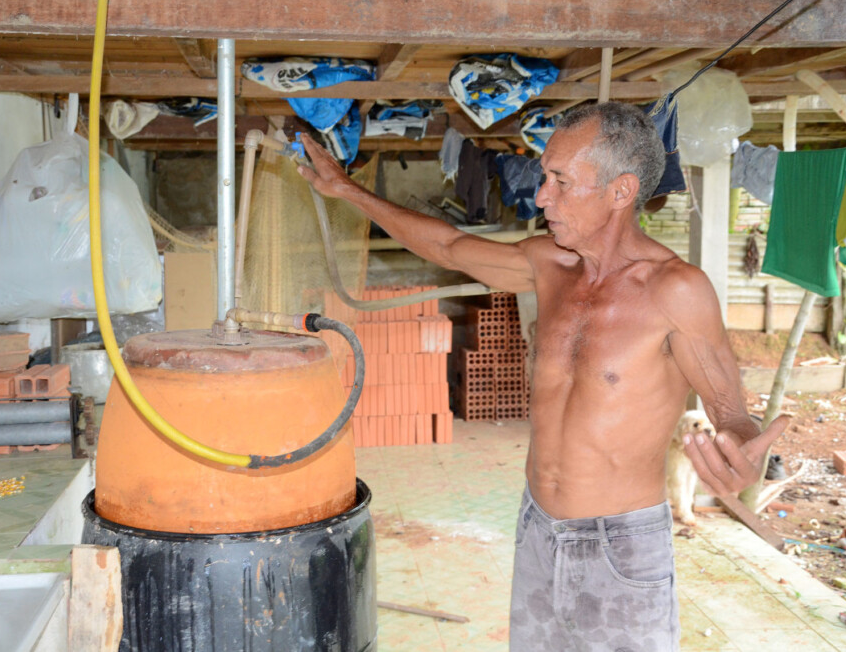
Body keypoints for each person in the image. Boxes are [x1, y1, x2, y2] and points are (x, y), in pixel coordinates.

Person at [297, 101, 788, 652]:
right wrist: (348, 192)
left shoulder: (675, 290)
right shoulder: (548, 264)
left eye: (559, 180)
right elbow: (447, 246)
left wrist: (740, 456)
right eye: (544, 176)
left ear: (621, 191)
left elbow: (732, 413)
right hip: (538, 527)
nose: (542, 195)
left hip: (619, 544)